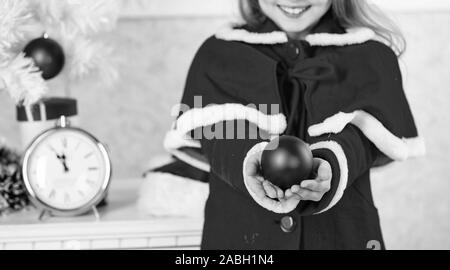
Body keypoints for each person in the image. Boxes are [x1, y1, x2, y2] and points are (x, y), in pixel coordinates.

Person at [155, 0, 425, 250]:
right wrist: (252, 162)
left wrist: (330, 164)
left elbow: (369, 138)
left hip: (341, 236)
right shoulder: (217, 54)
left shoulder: (371, 56)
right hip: (239, 239)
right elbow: (214, 133)